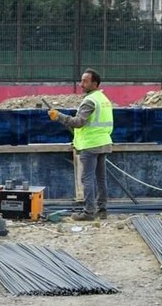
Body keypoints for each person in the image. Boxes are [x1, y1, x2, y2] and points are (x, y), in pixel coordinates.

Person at [49, 69, 114, 222]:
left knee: (87, 179)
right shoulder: (103, 98)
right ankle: (102, 210)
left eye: (85, 81)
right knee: (101, 178)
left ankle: (89, 212)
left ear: (94, 83)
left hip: (90, 144)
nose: (81, 84)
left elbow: (78, 122)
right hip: (103, 142)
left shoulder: (90, 101)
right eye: (81, 80)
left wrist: (59, 116)